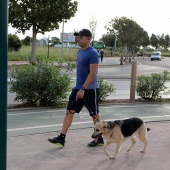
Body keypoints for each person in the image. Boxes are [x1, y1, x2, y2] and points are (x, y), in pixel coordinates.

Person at [48, 29, 104, 147]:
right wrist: (79, 89)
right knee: (69, 112)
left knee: (95, 115)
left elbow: (92, 73)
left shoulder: (93, 53)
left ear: (88, 38)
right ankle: (61, 138)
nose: (78, 39)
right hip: (78, 88)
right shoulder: (79, 52)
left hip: (90, 89)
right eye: (78, 37)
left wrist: (83, 89)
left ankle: (99, 139)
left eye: (81, 37)